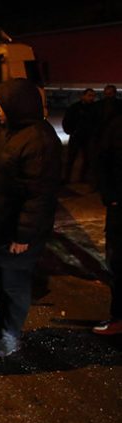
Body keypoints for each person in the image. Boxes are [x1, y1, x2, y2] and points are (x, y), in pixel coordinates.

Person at [0, 78, 62, 357]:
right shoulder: (13, 132)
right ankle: (3, 321)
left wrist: (23, 236)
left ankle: (11, 335)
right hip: (3, 223)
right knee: (2, 276)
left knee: (15, 282)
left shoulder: (38, 139)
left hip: (20, 230)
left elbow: (38, 196)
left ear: (18, 104)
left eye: (1, 104)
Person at [94, 114, 122, 335]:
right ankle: (119, 318)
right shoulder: (117, 125)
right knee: (118, 263)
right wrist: (110, 196)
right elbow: (103, 159)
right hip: (119, 209)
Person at [61, 88, 96, 183]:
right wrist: (70, 131)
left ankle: (82, 178)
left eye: (93, 96)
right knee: (71, 158)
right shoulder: (74, 108)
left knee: (87, 159)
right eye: (89, 95)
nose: (91, 98)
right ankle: (67, 178)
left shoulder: (95, 108)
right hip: (76, 136)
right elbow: (67, 120)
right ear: (83, 96)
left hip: (87, 137)